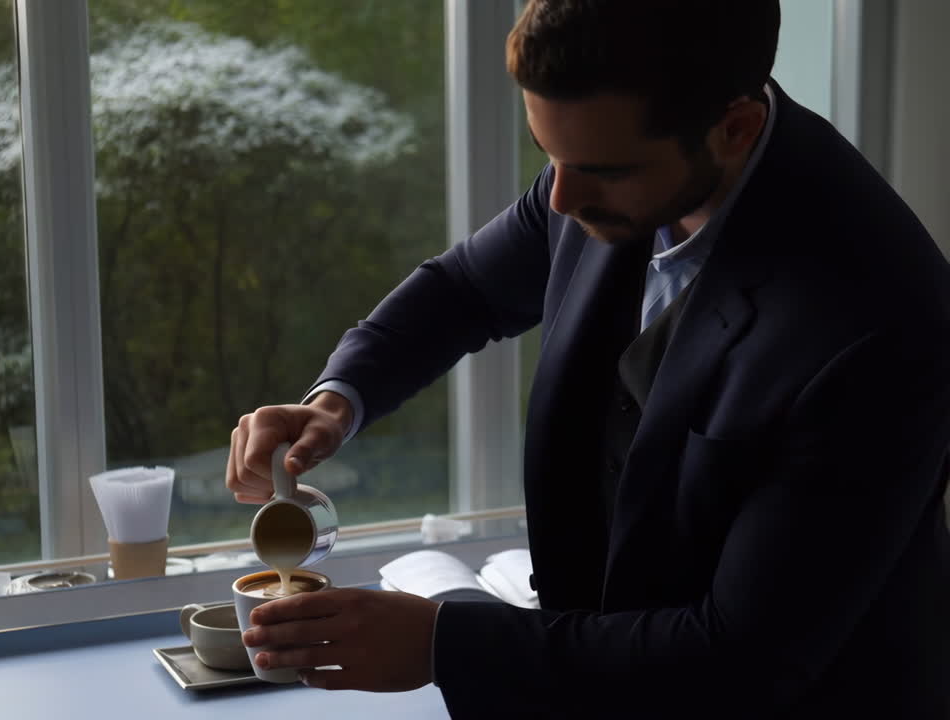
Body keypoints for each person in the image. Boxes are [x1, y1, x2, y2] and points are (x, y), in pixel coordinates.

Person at [226, 1, 950, 717]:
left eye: (599, 170)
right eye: (548, 156)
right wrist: (335, 400)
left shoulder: (881, 321)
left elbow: (743, 657)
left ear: (735, 127)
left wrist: (441, 648)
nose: (561, 199)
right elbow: (464, 290)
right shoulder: (604, 164)